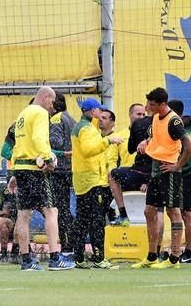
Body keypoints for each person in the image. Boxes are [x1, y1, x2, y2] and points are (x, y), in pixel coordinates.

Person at [9, 85, 75, 271]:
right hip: (34, 169)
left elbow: (18, 144)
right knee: (51, 211)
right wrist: (48, 158)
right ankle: (55, 258)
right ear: (46, 97)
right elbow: (39, 139)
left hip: (21, 167)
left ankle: (26, 261)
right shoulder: (39, 113)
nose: (53, 106)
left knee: (23, 214)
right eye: (52, 101)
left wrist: (14, 171)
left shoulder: (23, 113)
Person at [131, 88, 191, 269]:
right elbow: (156, 136)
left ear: (162, 104)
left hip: (169, 171)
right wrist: (146, 141)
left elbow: (189, 146)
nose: (148, 107)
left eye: (152, 104)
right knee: (149, 211)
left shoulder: (173, 121)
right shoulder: (155, 117)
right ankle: (152, 256)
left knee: (173, 212)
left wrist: (177, 165)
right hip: (156, 169)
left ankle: (174, 258)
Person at [71, 99, 123, 269]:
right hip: (91, 181)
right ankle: (99, 258)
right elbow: (88, 151)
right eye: (100, 111)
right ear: (93, 111)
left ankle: (78, 257)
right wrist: (108, 141)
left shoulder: (85, 127)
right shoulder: (86, 129)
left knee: (82, 220)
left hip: (84, 180)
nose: (101, 114)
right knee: (96, 221)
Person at [109, 103, 152, 226]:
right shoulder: (120, 136)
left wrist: (148, 180)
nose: (141, 117)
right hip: (127, 180)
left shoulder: (151, 131)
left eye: (144, 114)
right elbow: (112, 160)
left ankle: (153, 243)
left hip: (144, 178)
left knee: (150, 214)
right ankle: (123, 216)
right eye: (138, 114)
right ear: (130, 115)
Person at [49, 92, 76, 256]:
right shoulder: (70, 118)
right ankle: (70, 243)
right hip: (69, 169)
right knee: (64, 207)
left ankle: (66, 246)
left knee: (58, 209)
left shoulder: (56, 119)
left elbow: (56, 142)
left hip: (58, 170)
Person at [176, 107, 191, 264]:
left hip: (187, 174)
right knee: (184, 213)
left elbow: (189, 148)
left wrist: (178, 165)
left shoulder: (182, 129)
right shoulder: (189, 126)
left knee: (187, 213)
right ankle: (189, 249)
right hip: (188, 173)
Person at [98, 108, 120, 222]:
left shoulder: (119, 139)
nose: (100, 120)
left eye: (104, 118)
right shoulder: (95, 139)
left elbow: (121, 161)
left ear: (112, 123)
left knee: (113, 216)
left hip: (112, 185)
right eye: (100, 117)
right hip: (97, 183)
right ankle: (100, 240)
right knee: (98, 217)